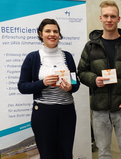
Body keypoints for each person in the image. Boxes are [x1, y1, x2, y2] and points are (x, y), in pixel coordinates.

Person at [77, 1, 121, 158]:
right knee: (104, 151)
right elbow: (81, 71)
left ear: (119, 19)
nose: (109, 19)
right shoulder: (91, 46)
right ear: (100, 18)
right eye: (106, 16)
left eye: (113, 16)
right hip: (99, 110)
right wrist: (94, 80)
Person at [18, 18, 80, 159]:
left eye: (55, 31)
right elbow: (22, 86)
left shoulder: (68, 57)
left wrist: (70, 87)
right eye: (48, 31)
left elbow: (76, 84)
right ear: (41, 34)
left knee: (66, 154)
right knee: (47, 155)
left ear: (59, 34)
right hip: (43, 113)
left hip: (67, 112)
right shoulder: (33, 58)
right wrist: (42, 83)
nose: (52, 34)